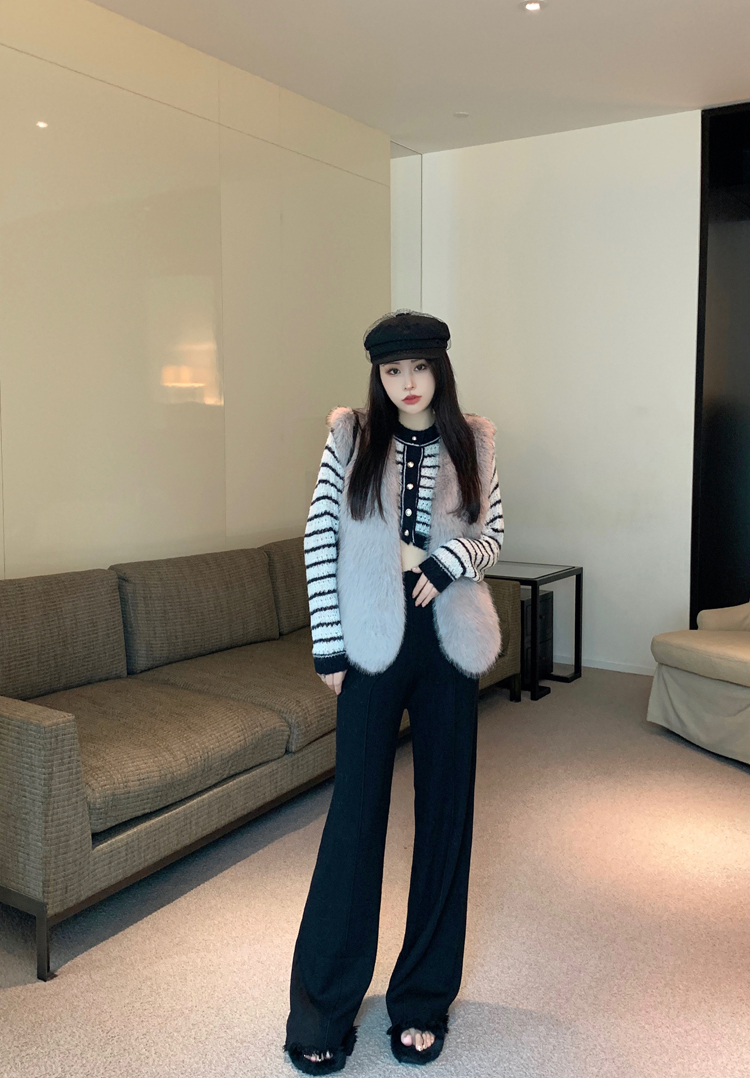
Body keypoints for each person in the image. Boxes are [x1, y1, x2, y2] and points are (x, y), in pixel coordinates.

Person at [284, 311, 505, 1074]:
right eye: (392, 370)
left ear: (440, 368)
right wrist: (329, 641)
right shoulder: (350, 435)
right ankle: (322, 1007)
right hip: (371, 642)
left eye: (420, 367)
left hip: (448, 642)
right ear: (377, 376)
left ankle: (421, 1001)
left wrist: (450, 560)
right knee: (354, 818)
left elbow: (494, 532)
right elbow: (318, 534)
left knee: (446, 817)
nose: (408, 383)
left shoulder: (475, 439)